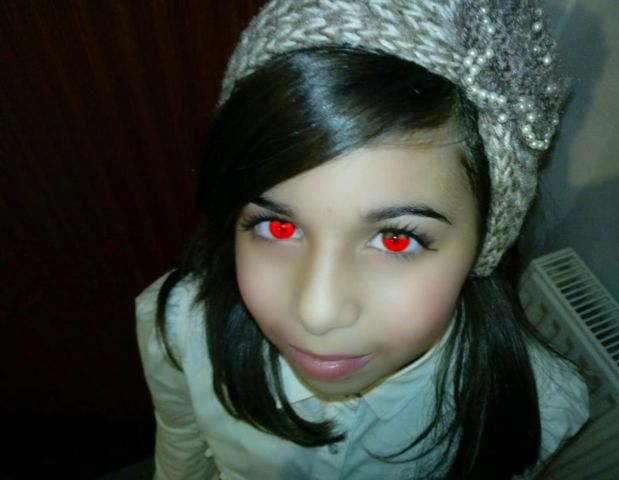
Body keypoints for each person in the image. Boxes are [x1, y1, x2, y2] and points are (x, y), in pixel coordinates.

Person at [136, 1, 589, 478]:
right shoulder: (180, 329)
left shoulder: (542, 406)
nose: (318, 312)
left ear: (484, 244)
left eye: (395, 240)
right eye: (279, 227)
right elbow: (181, 461)